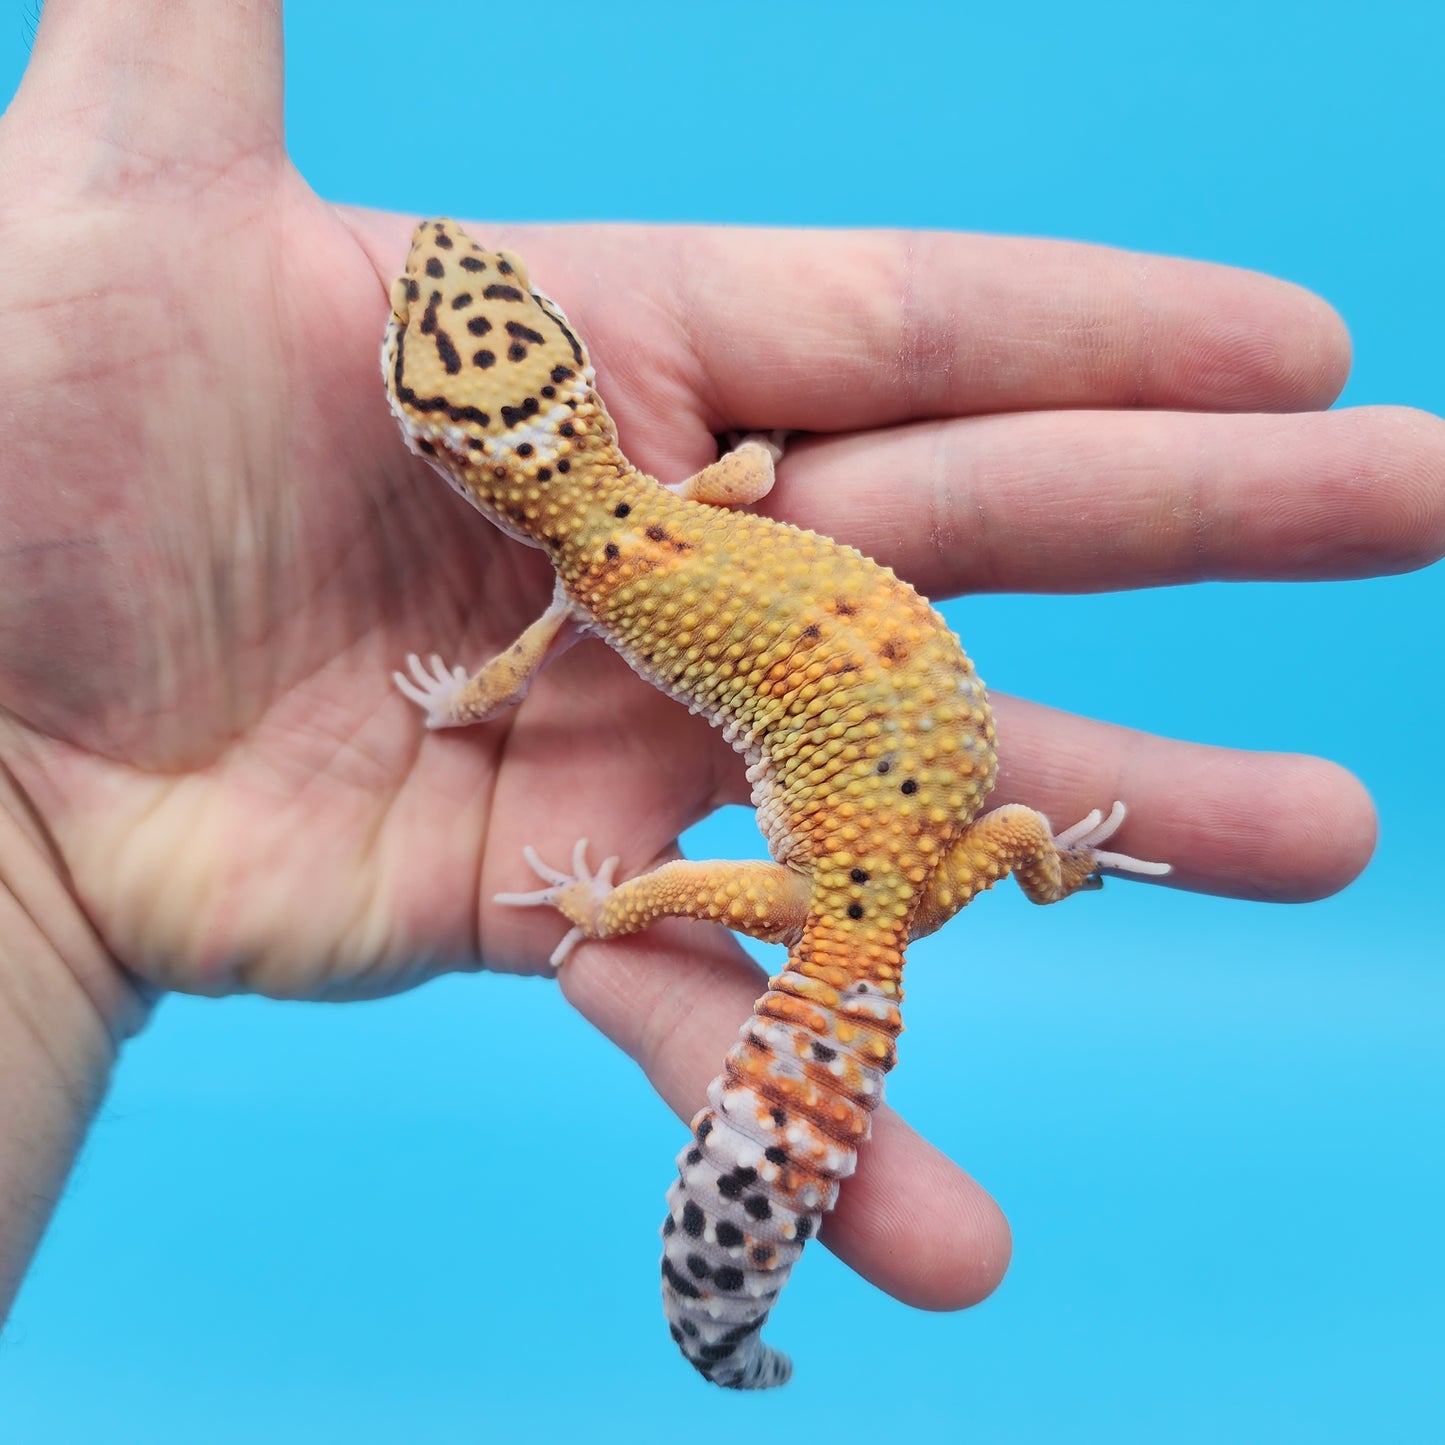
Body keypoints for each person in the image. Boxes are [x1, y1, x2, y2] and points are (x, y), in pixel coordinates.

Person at [1, 2, 1439, 1329]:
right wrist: (1032, 849)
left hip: (884, 870)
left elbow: (498, 684)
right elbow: (751, 463)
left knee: (691, 895)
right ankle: (1005, 896)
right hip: (913, 820)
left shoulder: (589, 583)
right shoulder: (672, 503)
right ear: (555, 375)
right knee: (976, 842)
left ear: (461, 437)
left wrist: (577, 874)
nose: (447, 266)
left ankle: (666, 983)